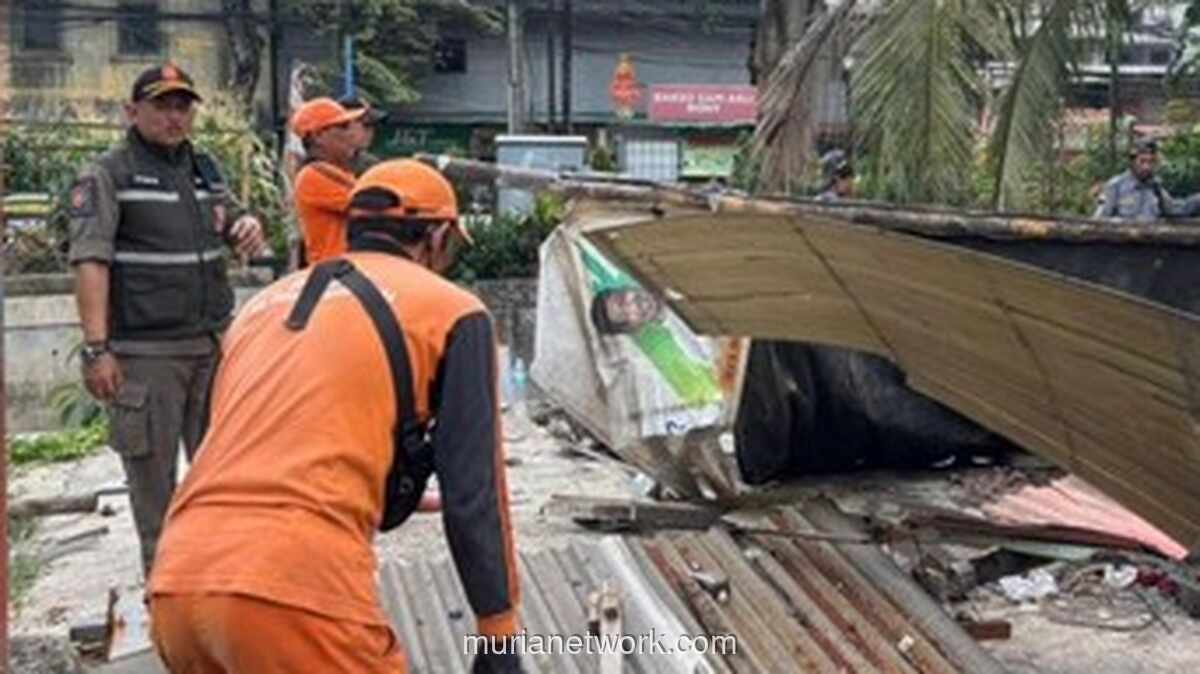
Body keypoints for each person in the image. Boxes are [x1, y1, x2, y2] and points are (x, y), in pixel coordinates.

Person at [147, 159, 522, 674]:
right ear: (436, 236)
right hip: (296, 591)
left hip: (177, 585)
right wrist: (498, 637)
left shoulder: (261, 309)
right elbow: (475, 492)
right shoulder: (452, 311)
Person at [67, 62, 265, 576]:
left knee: (226, 478)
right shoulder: (107, 174)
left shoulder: (204, 170)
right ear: (133, 112)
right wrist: (97, 349)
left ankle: (221, 589)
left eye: (183, 106)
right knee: (155, 492)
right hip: (147, 358)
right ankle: (168, 600)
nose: (175, 117)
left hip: (213, 351)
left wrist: (247, 226)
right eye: (162, 106)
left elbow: (235, 219)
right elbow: (90, 260)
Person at [291, 97, 367, 265]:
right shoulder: (314, 176)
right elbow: (372, 207)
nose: (351, 133)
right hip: (335, 277)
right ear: (318, 136)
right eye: (343, 126)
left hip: (350, 274)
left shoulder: (342, 171)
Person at [1094, 138, 1200, 220]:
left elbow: (1175, 209)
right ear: (1132, 161)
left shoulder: (1155, 188)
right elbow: (1100, 223)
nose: (1147, 167)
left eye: (1151, 162)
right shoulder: (1116, 186)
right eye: (1142, 161)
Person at [339, 94, 387, 175]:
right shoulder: (317, 161)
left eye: (374, 126)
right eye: (366, 125)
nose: (371, 131)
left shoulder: (372, 166)